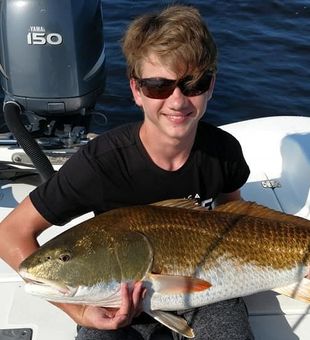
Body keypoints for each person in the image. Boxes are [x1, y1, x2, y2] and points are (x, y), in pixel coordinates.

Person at [0, 4, 255, 340]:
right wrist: (80, 311)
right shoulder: (100, 163)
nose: (177, 101)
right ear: (136, 90)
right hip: (113, 299)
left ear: (211, 86)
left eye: (193, 83)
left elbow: (236, 215)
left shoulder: (223, 151)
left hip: (209, 287)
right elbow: (10, 233)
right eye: (158, 86)